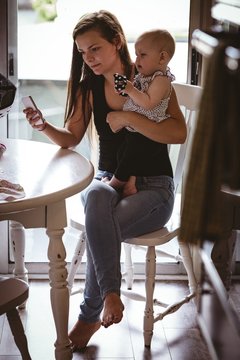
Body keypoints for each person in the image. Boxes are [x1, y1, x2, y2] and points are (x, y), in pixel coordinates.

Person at [23, 10, 186, 350]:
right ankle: (112, 295)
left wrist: (128, 117)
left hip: (154, 188)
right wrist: (43, 126)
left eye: (95, 48)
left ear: (116, 42)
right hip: (109, 181)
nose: (89, 58)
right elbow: (70, 137)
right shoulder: (89, 88)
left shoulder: (145, 78)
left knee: (103, 224)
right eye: (83, 52)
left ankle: (88, 317)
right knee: (95, 196)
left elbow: (178, 132)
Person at [106, 29, 176, 196]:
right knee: (123, 152)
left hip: (147, 132)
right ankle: (131, 182)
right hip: (136, 130)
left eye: (142, 55)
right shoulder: (146, 77)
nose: (136, 61)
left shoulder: (162, 80)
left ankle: (115, 183)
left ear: (162, 57)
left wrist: (130, 89)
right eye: (136, 55)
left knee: (130, 155)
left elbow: (149, 104)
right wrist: (126, 90)